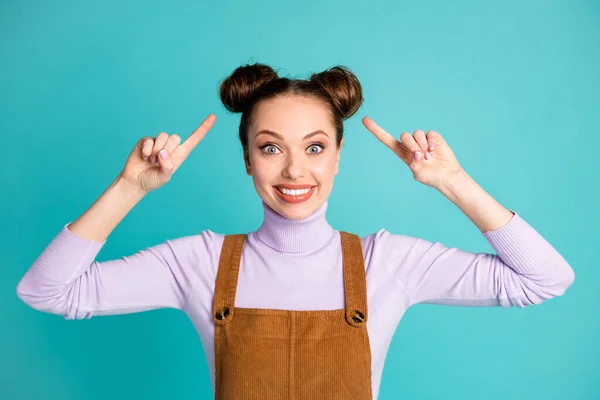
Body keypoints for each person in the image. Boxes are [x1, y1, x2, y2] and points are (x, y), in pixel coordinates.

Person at [16, 63, 575, 400]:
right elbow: (46, 291)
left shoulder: (388, 264)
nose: (293, 171)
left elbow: (544, 279)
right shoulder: (200, 263)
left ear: (337, 157)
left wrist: (452, 182)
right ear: (246, 160)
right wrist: (130, 187)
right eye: (269, 148)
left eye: (314, 147)